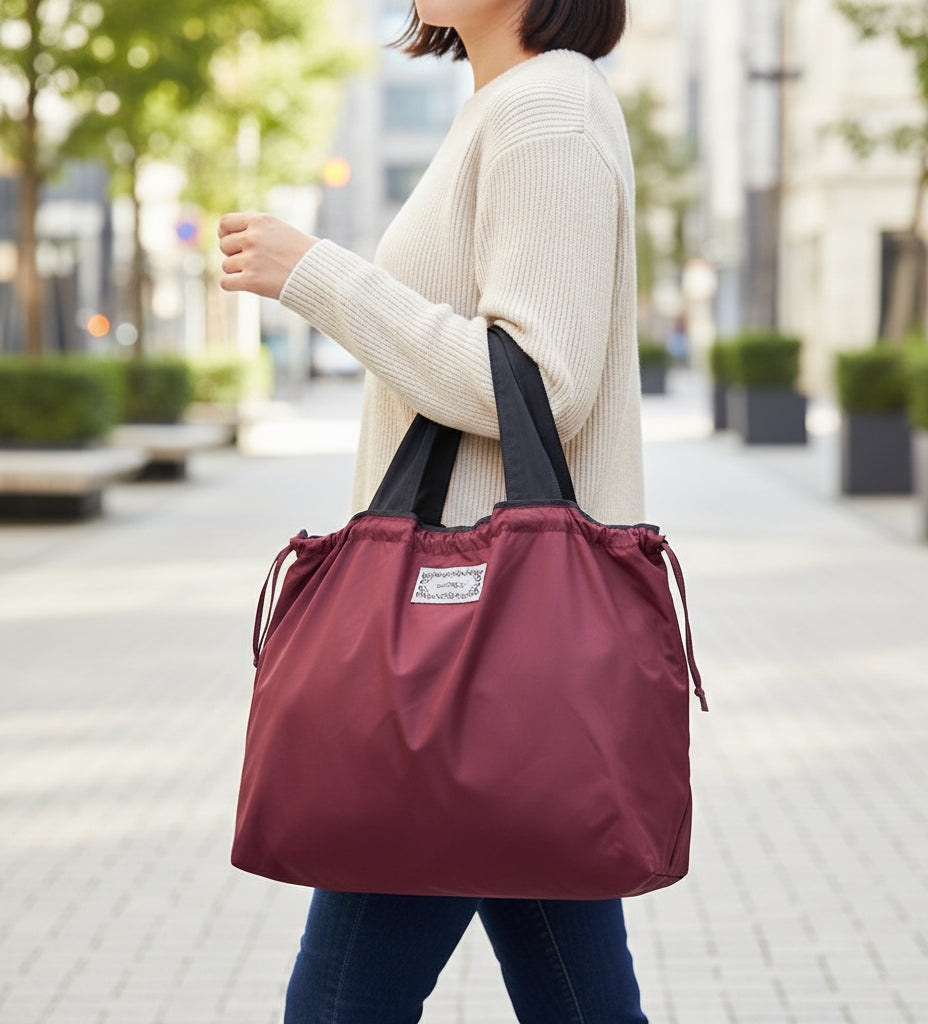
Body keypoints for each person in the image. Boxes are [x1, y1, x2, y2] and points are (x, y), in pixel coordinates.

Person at [219, 1, 649, 1020]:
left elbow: (538, 383)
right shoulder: (504, 103)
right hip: (495, 658)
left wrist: (318, 278)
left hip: (464, 654)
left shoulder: (544, 111)